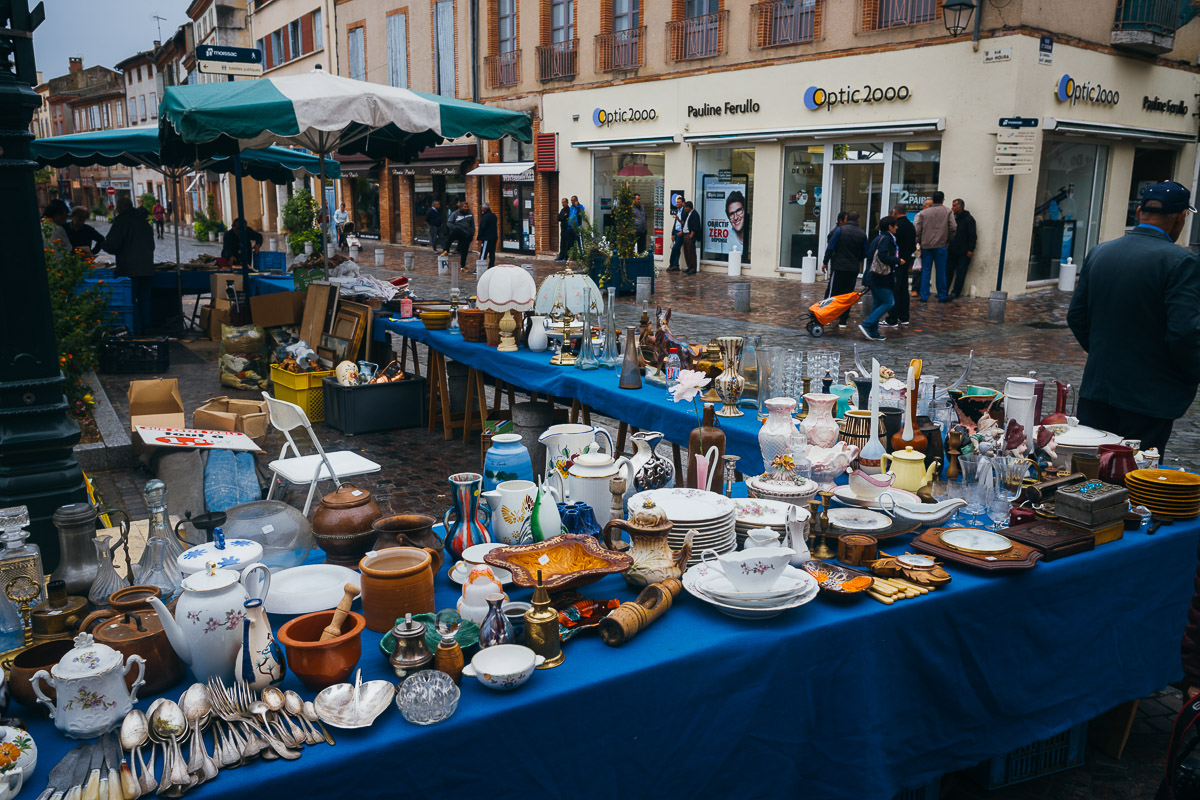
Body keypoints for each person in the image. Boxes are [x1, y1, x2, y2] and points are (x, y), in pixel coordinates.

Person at [1066, 180, 1200, 457]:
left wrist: (1106, 352)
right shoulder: (1181, 261)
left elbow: (1077, 316)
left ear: (1139, 212)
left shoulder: (1101, 251)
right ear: (1181, 218)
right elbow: (1184, 332)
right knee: (1135, 475)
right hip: (1149, 397)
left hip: (1099, 389)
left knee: (1091, 473)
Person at [102, 196, 155, 332]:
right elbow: (152, 246)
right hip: (147, 267)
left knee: (131, 301)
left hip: (129, 268)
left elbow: (113, 245)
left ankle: (136, 329)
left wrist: (103, 244)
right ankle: (148, 328)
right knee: (145, 300)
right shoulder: (143, 222)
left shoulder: (121, 221)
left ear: (120, 208)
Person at [824, 210, 868, 327]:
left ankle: (826, 316)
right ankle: (843, 320)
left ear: (847, 219)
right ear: (858, 220)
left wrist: (825, 262)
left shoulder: (840, 230)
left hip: (839, 266)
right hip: (853, 268)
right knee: (847, 294)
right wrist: (856, 259)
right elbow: (865, 252)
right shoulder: (862, 234)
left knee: (832, 292)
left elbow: (830, 247)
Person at [860, 215, 900, 342]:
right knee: (889, 302)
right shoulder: (886, 239)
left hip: (873, 276)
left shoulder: (877, 238)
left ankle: (874, 332)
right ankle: (867, 324)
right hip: (881, 277)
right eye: (895, 225)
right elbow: (882, 256)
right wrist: (897, 260)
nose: (897, 227)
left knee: (878, 304)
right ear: (890, 227)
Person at [914, 191, 956, 302]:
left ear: (933, 199)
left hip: (926, 245)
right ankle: (942, 295)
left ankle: (924, 295)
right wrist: (949, 240)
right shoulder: (948, 211)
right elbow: (953, 227)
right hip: (941, 245)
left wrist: (918, 240)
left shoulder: (924, 213)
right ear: (942, 200)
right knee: (941, 271)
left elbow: (918, 229)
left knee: (926, 271)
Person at [884, 203, 915, 327]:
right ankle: (904, 316)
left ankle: (893, 317)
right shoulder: (910, 226)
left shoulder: (897, 227)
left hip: (896, 261)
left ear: (895, 212)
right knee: (903, 290)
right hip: (905, 260)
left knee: (895, 289)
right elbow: (913, 245)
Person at [947, 198, 977, 301]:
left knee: (960, 272)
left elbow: (972, 236)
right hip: (952, 250)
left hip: (964, 252)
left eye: (954, 206)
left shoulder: (969, 220)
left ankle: (955, 292)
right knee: (948, 271)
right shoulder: (953, 218)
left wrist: (971, 249)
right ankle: (945, 291)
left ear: (960, 206)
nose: (952, 208)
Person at [445, 201, 475, 271]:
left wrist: (472, 233)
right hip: (458, 232)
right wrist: (456, 228)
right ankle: (446, 249)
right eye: (465, 207)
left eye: (467, 207)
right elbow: (449, 223)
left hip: (466, 234)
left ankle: (463, 266)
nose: (466, 208)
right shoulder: (455, 213)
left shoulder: (470, 214)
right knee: (450, 236)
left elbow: (472, 225)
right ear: (461, 207)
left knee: (465, 251)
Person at [680, 200, 701, 274]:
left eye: (685, 207)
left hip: (690, 235)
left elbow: (695, 226)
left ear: (689, 207)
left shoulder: (694, 214)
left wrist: (691, 236)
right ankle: (689, 266)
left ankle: (693, 268)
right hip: (685, 234)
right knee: (686, 252)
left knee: (691, 252)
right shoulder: (688, 214)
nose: (685, 208)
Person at [477, 201, 498, 270]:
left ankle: (480, 268)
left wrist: (480, 238)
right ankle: (491, 266)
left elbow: (482, 228)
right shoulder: (493, 216)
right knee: (492, 253)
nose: (481, 209)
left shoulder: (485, 216)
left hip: (487, 238)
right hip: (494, 237)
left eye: (482, 207)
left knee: (484, 253)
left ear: (484, 209)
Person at [667, 195, 685, 272]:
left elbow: (685, 223)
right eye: (677, 202)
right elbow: (675, 223)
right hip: (676, 231)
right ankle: (676, 265)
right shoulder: (678, 211)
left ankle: (671, 264)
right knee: (677, 249)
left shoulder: (684, 212)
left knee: (675, 248)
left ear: (683, 203)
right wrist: (672, 234)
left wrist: (682, 231)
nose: (677, 204)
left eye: (679, 202)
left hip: (681, 233)